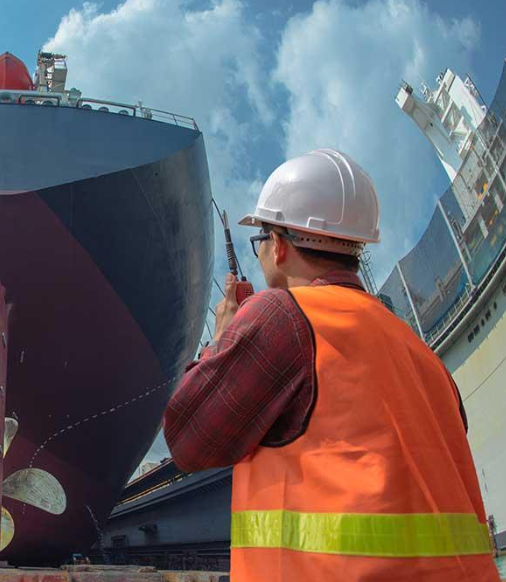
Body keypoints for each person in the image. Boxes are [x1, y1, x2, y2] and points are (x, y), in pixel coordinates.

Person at [163, 149, 499, 581]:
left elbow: (188, 440)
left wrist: (222, 339)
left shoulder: (280, 316)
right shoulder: (421, 355)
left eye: (261, 239)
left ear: (280, 246)